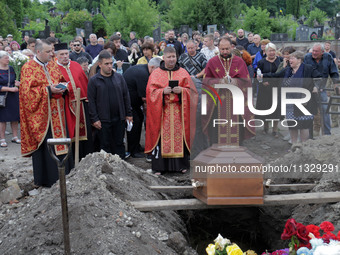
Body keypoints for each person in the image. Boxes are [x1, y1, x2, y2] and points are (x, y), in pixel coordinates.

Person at [20, 39, 73, 187]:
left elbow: (61, 79)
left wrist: (64, 88)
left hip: (59, 112)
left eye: (52, 51)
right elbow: (26, 94)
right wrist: (49, 90)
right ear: (38, 52)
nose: (52, 54)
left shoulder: (53, 65)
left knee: (63, 143)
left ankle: (66, 175)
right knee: (48, 147)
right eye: (48, 52)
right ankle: (48, 180)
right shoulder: (28, 68)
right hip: (43, 117)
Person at [145, 46, 197, 174]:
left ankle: (181, 166)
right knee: (162, 138)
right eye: (169, 57)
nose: (171, 59)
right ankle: (159, 167)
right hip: (162, 113)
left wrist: (182, 91)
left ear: (176, 57)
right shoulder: (156, 73)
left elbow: (193, 92)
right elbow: (150, 93)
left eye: (173, 57)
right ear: (163, 58)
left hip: (179, 112)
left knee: (180, 137)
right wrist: (162, 92)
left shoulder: (183, 72)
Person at [259, 51, 320, 145]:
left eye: (292, 58)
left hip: (304, 103)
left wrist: (316, 87)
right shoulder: (288, 70)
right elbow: (276, 75)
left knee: (303, 125)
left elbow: (319, 78)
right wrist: (263, 75)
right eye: (290, 58)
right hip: (289, 103)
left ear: (299, 60)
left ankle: (304, 146)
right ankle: (294, 145)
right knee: (292, 125)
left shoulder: (308, 69)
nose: (289, 60)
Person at [203, 36, 255, 145]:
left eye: (227, 49)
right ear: (218, 48)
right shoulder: (212, 62)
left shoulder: (239, 61)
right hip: (217, 102)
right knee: (216, 128)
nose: (225, 51)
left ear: (231, 47)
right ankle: (217, 148)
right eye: (222, 49)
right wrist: (220, 82)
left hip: (236, 101)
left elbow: (247, 81)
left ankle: (237, 148)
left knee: (237, 127)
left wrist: (235, 82)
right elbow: (206, 81)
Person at [87, 50, 132, 159]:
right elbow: (91, 101)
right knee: (105, 146)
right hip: (103, 120)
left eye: (111, 63)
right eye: (106, 64)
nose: (109, 66)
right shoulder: (94, 80)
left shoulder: (119, 78)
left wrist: (128, 113)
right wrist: (95, 118)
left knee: (119, 144)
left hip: (119, 118)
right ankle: (107, 172)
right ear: (100, 64)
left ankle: (121, 168)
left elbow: (126, 96)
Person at [55, 43, 93, 160]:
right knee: (70, 133)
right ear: (56, 56)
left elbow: (84, 84)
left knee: (85, 134)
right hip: (65, 105)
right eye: (62, 54)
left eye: (66, 53)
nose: (65, 56)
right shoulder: (54, 69)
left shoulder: (76, 65)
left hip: (81, 105)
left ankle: (86, 158)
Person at [123, 57, 162, 158]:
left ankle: (137, 145)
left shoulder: (144, 69)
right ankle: (133, 150)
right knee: (134, 125)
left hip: (135, 104)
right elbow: (145, 98)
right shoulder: (143, 74)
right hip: (128, 104)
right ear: (152, 67)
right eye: (157, 71)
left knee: (139, 120)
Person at [304, 43, 340, 136]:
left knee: (324, 110)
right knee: (308, 111)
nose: (314, 53)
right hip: (309, 88)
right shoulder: (307, 57)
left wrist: (336, 84)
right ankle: (309, 134)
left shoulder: (328, 57)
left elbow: (333, 71)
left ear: (322, 52)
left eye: (317, 51)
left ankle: (327, 134)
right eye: (313, 51)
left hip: (322, 88)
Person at [255, 43, 282, 137]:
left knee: (276, 109)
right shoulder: (261, 62)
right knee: (265, 108)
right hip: (265, 89)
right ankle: (265, 127)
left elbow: (281, 74)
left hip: (277, 88)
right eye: (270, 50)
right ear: (266, 52)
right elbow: (258, 75)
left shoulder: (280, 61)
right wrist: (262, 82)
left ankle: (275, 129)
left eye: (273, 50)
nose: (272, 52)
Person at [0, 51, 20, 147]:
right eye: (5, 58)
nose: (8, 59)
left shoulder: (11, 68)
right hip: (2, 96)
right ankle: (2, 138)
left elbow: (13, 79)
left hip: (13, 96)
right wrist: (9, 88)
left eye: (8, 58)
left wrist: (16, 83)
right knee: (2, 119)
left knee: (14, 117)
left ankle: (15, 136)